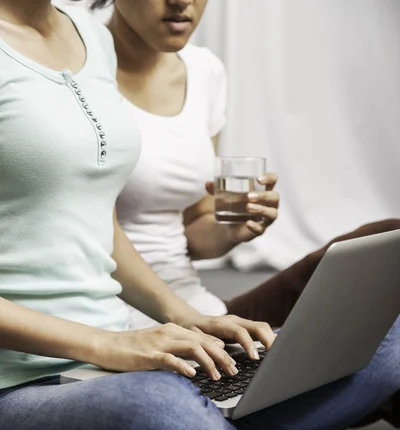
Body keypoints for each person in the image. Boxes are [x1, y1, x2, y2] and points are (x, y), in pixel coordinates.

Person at [0, 0, 399, 430]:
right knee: (164, 419)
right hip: (19, 386)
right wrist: (114, 345)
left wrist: (190, 317)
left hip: (112, 369)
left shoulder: (88, 36)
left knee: (381, 343)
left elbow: (97, 217)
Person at [98, 0, 400, 331]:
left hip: (205, 315)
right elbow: (88, 233)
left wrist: (230, 229)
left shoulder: (204, 71)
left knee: (385, 242)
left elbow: (193, 228)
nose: (182, 2)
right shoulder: (81, 69)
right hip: (129, 328)